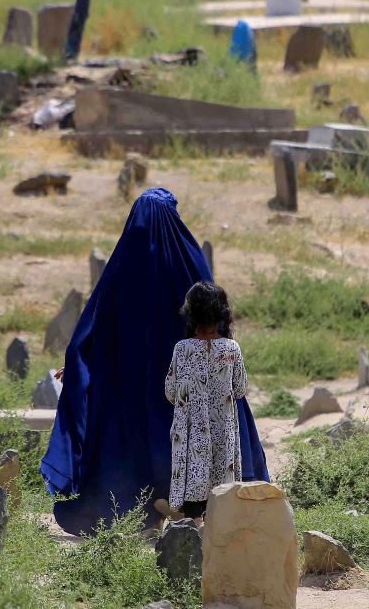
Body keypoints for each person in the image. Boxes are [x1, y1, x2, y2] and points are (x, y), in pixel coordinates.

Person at [40, 188, 268, 536]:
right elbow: (219, 321)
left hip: (134, 383)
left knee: (139, 444)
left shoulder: (123, 265)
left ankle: (148, 514)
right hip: (196, 385)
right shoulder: (188, 259)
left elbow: (95, 327)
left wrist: (80, 366)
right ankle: (195, 513)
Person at [164, 282, 246, 524]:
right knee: (221, 488)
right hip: (223, 433)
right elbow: (240, 389)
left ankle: (193, 535)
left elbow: (170, 392)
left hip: (191, 435)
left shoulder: (182, 349)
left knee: (192, 487)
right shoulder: (231, 349)